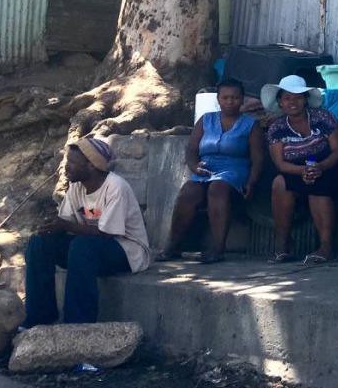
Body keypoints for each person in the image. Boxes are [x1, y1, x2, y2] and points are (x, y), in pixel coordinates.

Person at [23, 137, 151, 327]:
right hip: (90, 248)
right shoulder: (76, 187)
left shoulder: (116, 187)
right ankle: (38, 319)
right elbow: (67, 222)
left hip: (127, 251)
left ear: (91, 165)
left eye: (72, 162)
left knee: (82, 245)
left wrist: (66, 226)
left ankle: (77, 325)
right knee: (39, 242)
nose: (66, 167)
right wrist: (52, 227)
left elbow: (107, 233)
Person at [156, 78, 265, 264]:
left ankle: (217, 247)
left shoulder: (250, 124)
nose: (230, 102)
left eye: (235, 98)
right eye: (225, 97)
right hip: (205, 168)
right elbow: (191, 149)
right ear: (218, 99)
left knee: (218, 189)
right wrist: (194, 166)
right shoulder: (206, 120)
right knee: (187, 193)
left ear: (242, 100)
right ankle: (174, 245)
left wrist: (251, 182)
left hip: (235, 169)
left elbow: (258, 158)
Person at [263, 75, 338, 265]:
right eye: (287, 98)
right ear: (280, 102)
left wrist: (321, 166)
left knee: (318, 186)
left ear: (306, 100)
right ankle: (283, 245)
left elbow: (337, 150)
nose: (293, 102)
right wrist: (302, 170)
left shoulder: (323, 117)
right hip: (294, 169)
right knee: (279, 183)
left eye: (298, 97)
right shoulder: (277, 127)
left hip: (327, 166)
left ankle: (326, 246)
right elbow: (280, 163)